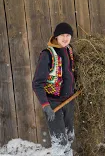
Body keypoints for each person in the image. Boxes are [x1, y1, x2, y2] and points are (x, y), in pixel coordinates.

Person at [32, 22, 75, 156]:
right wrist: (46, 105)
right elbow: (37, 83)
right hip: (53, 103)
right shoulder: (48, 54)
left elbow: (71, 73)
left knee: (69, 136)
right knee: (60, 141)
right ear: (56, 36)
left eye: (68, 35)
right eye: (62, 35)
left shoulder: (69, 50)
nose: (65, 38)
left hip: (69, 100)